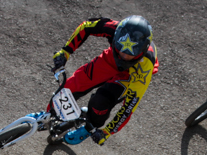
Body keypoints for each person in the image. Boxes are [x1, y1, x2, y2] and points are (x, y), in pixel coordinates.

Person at [47, 15, 158, 145]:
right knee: (72, 86)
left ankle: (89, 127)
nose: (123, 56)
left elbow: (129, 106)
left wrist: (107, 132)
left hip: (133, 73)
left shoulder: (145, 68)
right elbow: (87, 26)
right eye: (121, 50)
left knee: (101, 101)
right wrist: (65, 52)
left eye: (129, 55)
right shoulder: (115, 29)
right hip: (110, 59)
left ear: (142, 50)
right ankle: (49, 114)